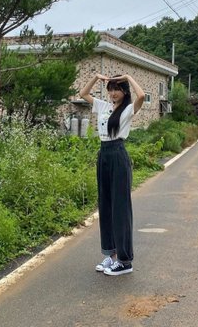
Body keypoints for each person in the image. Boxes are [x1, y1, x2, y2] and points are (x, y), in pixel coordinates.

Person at [79, 73, 145, 276]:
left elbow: (142, 96)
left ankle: (125, 261)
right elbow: (83, 93)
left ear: (124, 91)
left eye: (117, 89)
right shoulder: (103, 106)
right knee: (106, 205)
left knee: (120, 208)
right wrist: (96, 77)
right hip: (104, 155)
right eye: (111, 89)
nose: (113, 93)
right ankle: (111, 254)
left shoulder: (128, 109)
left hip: (118, 154)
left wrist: (128, 77)